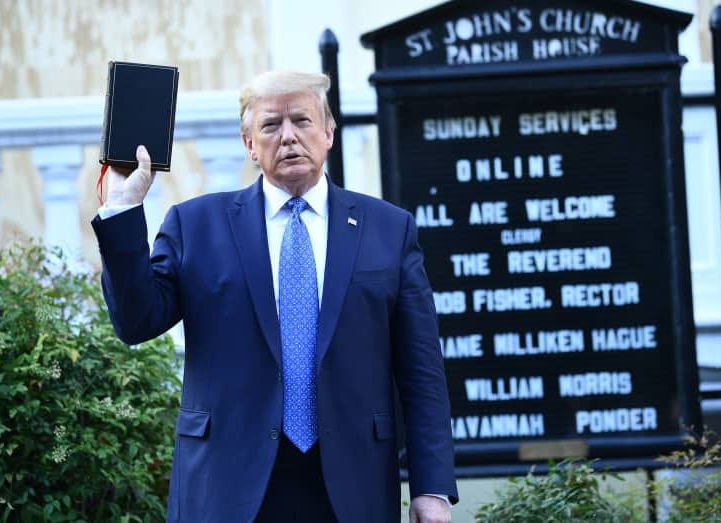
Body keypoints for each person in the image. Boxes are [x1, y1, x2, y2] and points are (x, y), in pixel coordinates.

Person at [91, 70, 457, 522]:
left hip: (351, 486)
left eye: (302, 121)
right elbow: (136, 322)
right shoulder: (196, 226)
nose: (288, 137)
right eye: (270, 125)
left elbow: (422, 371)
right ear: (248, 143)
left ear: (328, 133)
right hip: (227, 486)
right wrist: (124, 209)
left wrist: (432, 487)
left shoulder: (389, 229)